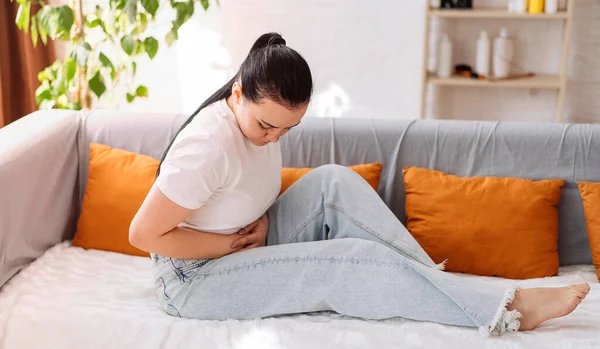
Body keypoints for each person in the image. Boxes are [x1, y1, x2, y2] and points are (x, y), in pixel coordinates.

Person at [129, 32, 590, 336]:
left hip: (249, 235)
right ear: (236, 94)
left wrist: (266, 223)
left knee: (333, 181)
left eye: (288, 129)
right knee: (350, 259)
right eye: (266, 126)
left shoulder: (263, 122)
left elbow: (238, 189)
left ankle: (437, 288)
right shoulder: (206, 146)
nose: (274, 138)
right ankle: (505, 310)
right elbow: (144, 234)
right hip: (194, 279)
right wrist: (224, 244)